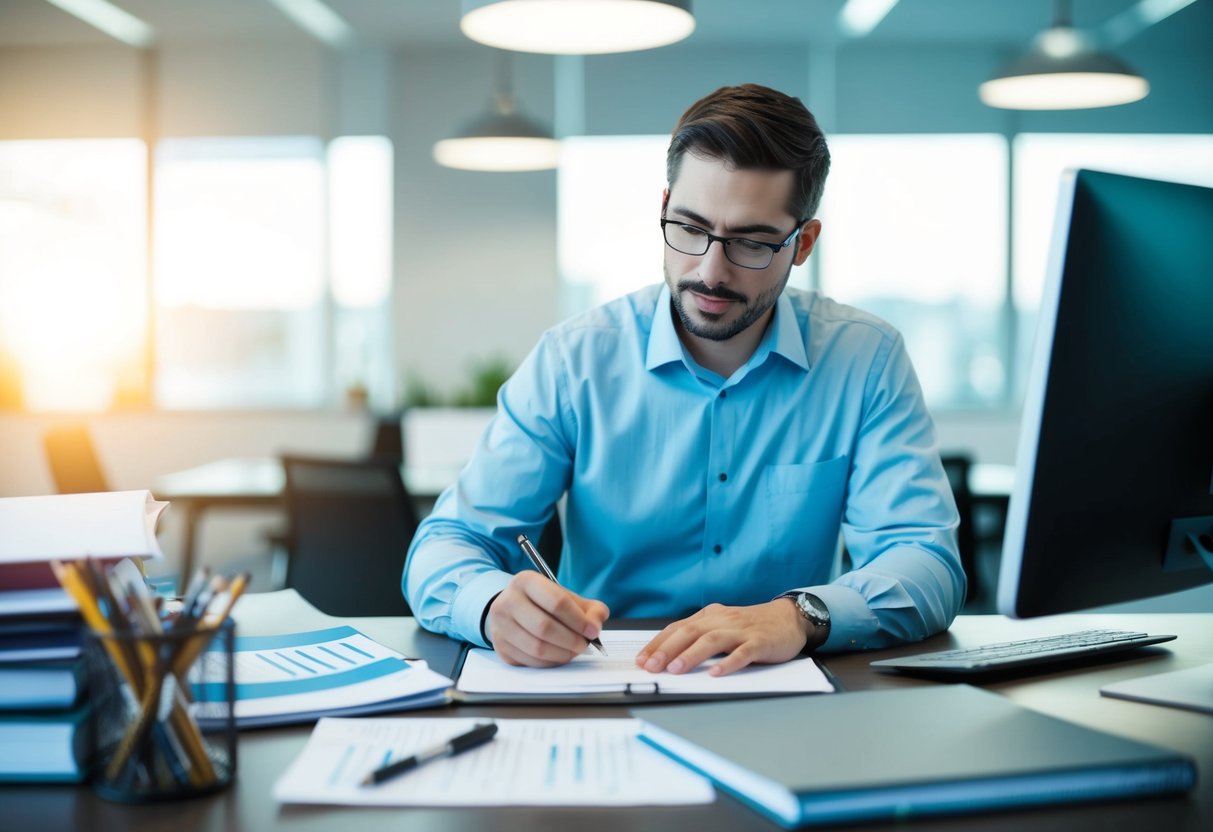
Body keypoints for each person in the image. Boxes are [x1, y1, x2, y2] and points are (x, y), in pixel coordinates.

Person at [404, 83, 965, 676]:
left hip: (782, 693)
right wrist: (491, 606)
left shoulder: (865, 361)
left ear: (802, 243)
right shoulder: (574, 362)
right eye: (690, 227)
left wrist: (801, 615)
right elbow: (446, 545)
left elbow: (926, 560)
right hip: (603, 687)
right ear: (664, 205)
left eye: (751, 241)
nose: (709, 270)